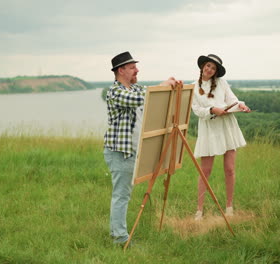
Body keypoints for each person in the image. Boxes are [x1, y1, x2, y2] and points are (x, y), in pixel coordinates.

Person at [103, 51, 181, 245]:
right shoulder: (116, 91)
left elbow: (144, 93)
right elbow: (144, 98)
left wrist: (165, 87)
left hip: (130, 152)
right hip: (119, 152)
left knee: (124, 193)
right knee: (121, 194)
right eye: (132, 67)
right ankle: (119, 238)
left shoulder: (134, 88)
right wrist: (162, 86)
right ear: (121, 70)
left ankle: (118, 233)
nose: (137, 70)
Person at [191, 54, 251, 220]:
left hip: (226, 126)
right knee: (205, 170)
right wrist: (212, 110)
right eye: (208, 66)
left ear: (216, 71)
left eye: (213, 68)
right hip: (209, 129)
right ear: (203, 66)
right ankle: (199, 211)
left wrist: (241, 105)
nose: (210, 69)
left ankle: (229, 207)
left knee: (230, 169)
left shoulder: (222, 83)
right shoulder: (193, 87)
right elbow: (196, 110)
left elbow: (232, 100)